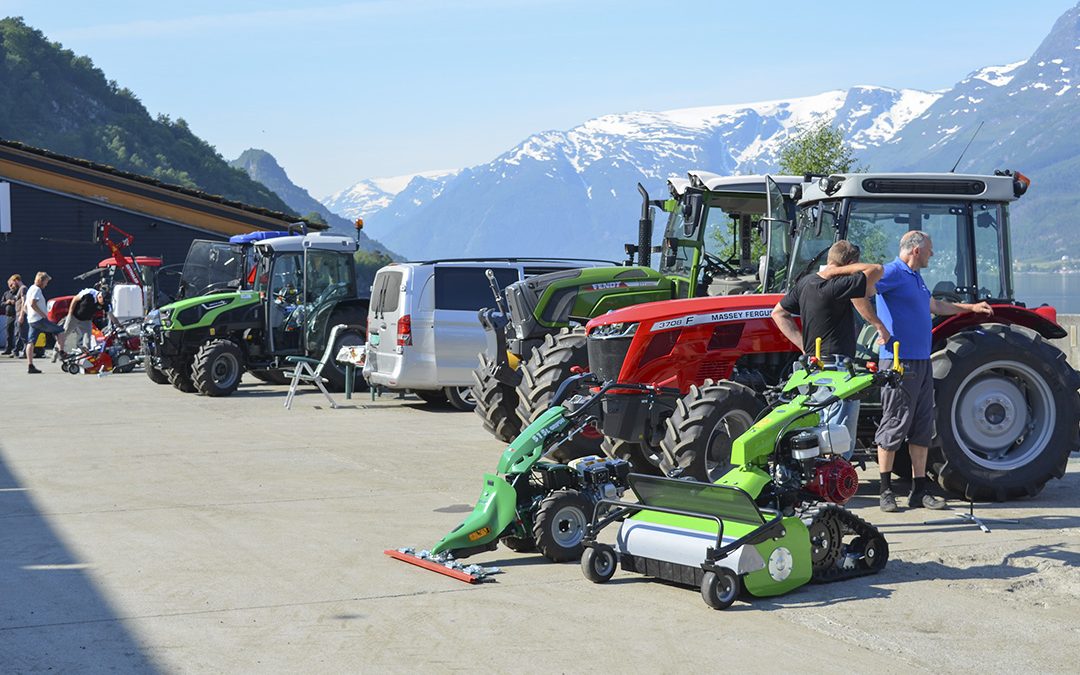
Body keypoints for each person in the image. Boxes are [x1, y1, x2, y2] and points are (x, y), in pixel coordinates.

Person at [874, 230, 993, 512]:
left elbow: (935, 305)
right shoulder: (891, 272)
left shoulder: (915, 278)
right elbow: (860, 291)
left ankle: (919, 490)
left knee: (922, 427)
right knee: (893, 424)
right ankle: (885, 490)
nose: (933, 254)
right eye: (929, 249)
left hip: (922, 361)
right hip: (898, 361)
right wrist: (876, 324)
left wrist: (970, 308)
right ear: (915, 250)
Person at [772, 240, 888, 458]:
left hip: (812, 368)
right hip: (838, 369)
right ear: (850, 263)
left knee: (816, 428)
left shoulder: (805, 284)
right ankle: (834, 484)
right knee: (838, 436)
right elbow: (877, 270)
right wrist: (839, 271)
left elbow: (778, 313)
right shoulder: (836, 286)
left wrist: (803, 346)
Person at [23, 271, 64, 374]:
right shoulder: (37, 290)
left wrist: (29, 315)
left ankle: (30, 365)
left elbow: (25, 307)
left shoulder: (30, 289)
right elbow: (33, 304)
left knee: (31, 342)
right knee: (60, 330)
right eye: (46, 282)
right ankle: (62, 352)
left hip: (32, 320)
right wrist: (42, 314)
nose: (46, 284)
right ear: (41, 280)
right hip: (39, 320)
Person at [55, 287, 107, 359]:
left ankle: (85, 354)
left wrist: (117, 324)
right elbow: (75, 299)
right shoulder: (89, 293)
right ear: (100, 297)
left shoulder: (104, 303)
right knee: (65, 333)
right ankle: (58, 350)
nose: (103, 303)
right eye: (103, 301)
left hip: (87, 320)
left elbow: (110, 313)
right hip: (75, 317)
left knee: (87, 336)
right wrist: (70, 314)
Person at [6, 274, 28, 358]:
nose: (12, 286)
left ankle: (25, 352)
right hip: (18, 314)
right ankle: (16, 351)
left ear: (16, 280)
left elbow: (24, 302)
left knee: (22, 334)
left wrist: (22, 315)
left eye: (12, 283)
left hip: (21, 314)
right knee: (18, 334)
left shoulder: (23, 289)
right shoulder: (20, 290)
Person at [2, 274, 22, 354]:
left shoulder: (19, 292)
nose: (11, 286)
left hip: (17, 315)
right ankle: (8, 349)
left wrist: (15, 302)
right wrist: (7, 302)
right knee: (8, 333)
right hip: (9, 315)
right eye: (9, 285)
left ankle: (17, 349)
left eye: (12, 284)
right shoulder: (6, 293)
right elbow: (2, 303)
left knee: (18, 333)